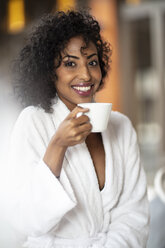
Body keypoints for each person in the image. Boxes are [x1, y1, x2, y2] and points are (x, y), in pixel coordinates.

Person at [7, 10, 149, 248]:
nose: (85, 74)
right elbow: (24, 219)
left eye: (92, 62)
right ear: (50, 72)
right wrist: (58, 145)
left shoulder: (121, 127)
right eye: (70, 64)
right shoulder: (33, 122)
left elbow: (134, 216)